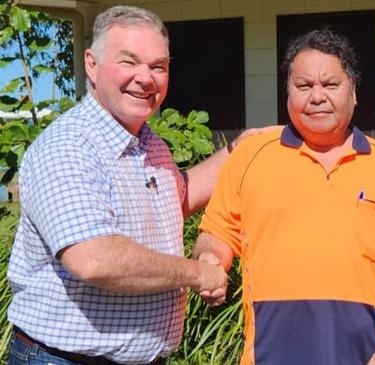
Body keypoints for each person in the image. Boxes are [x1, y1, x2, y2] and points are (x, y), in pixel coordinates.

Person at [7, 5, 265, 365]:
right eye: (129, 62)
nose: (146, 78)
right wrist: (198, 273)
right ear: (92, 65)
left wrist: (239, 149)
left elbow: (177, 200)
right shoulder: (69, 145)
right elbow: (95, 259)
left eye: (158, 66)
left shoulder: (148, 142)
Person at [194, 29, 375, 365]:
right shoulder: (251, 157)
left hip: (367, 357)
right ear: (287, 93)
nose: (317, 97)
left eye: (330, 85)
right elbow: (216, 235)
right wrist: (209, 259)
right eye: (303, 86)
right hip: (270, 355)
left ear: (354, 91)